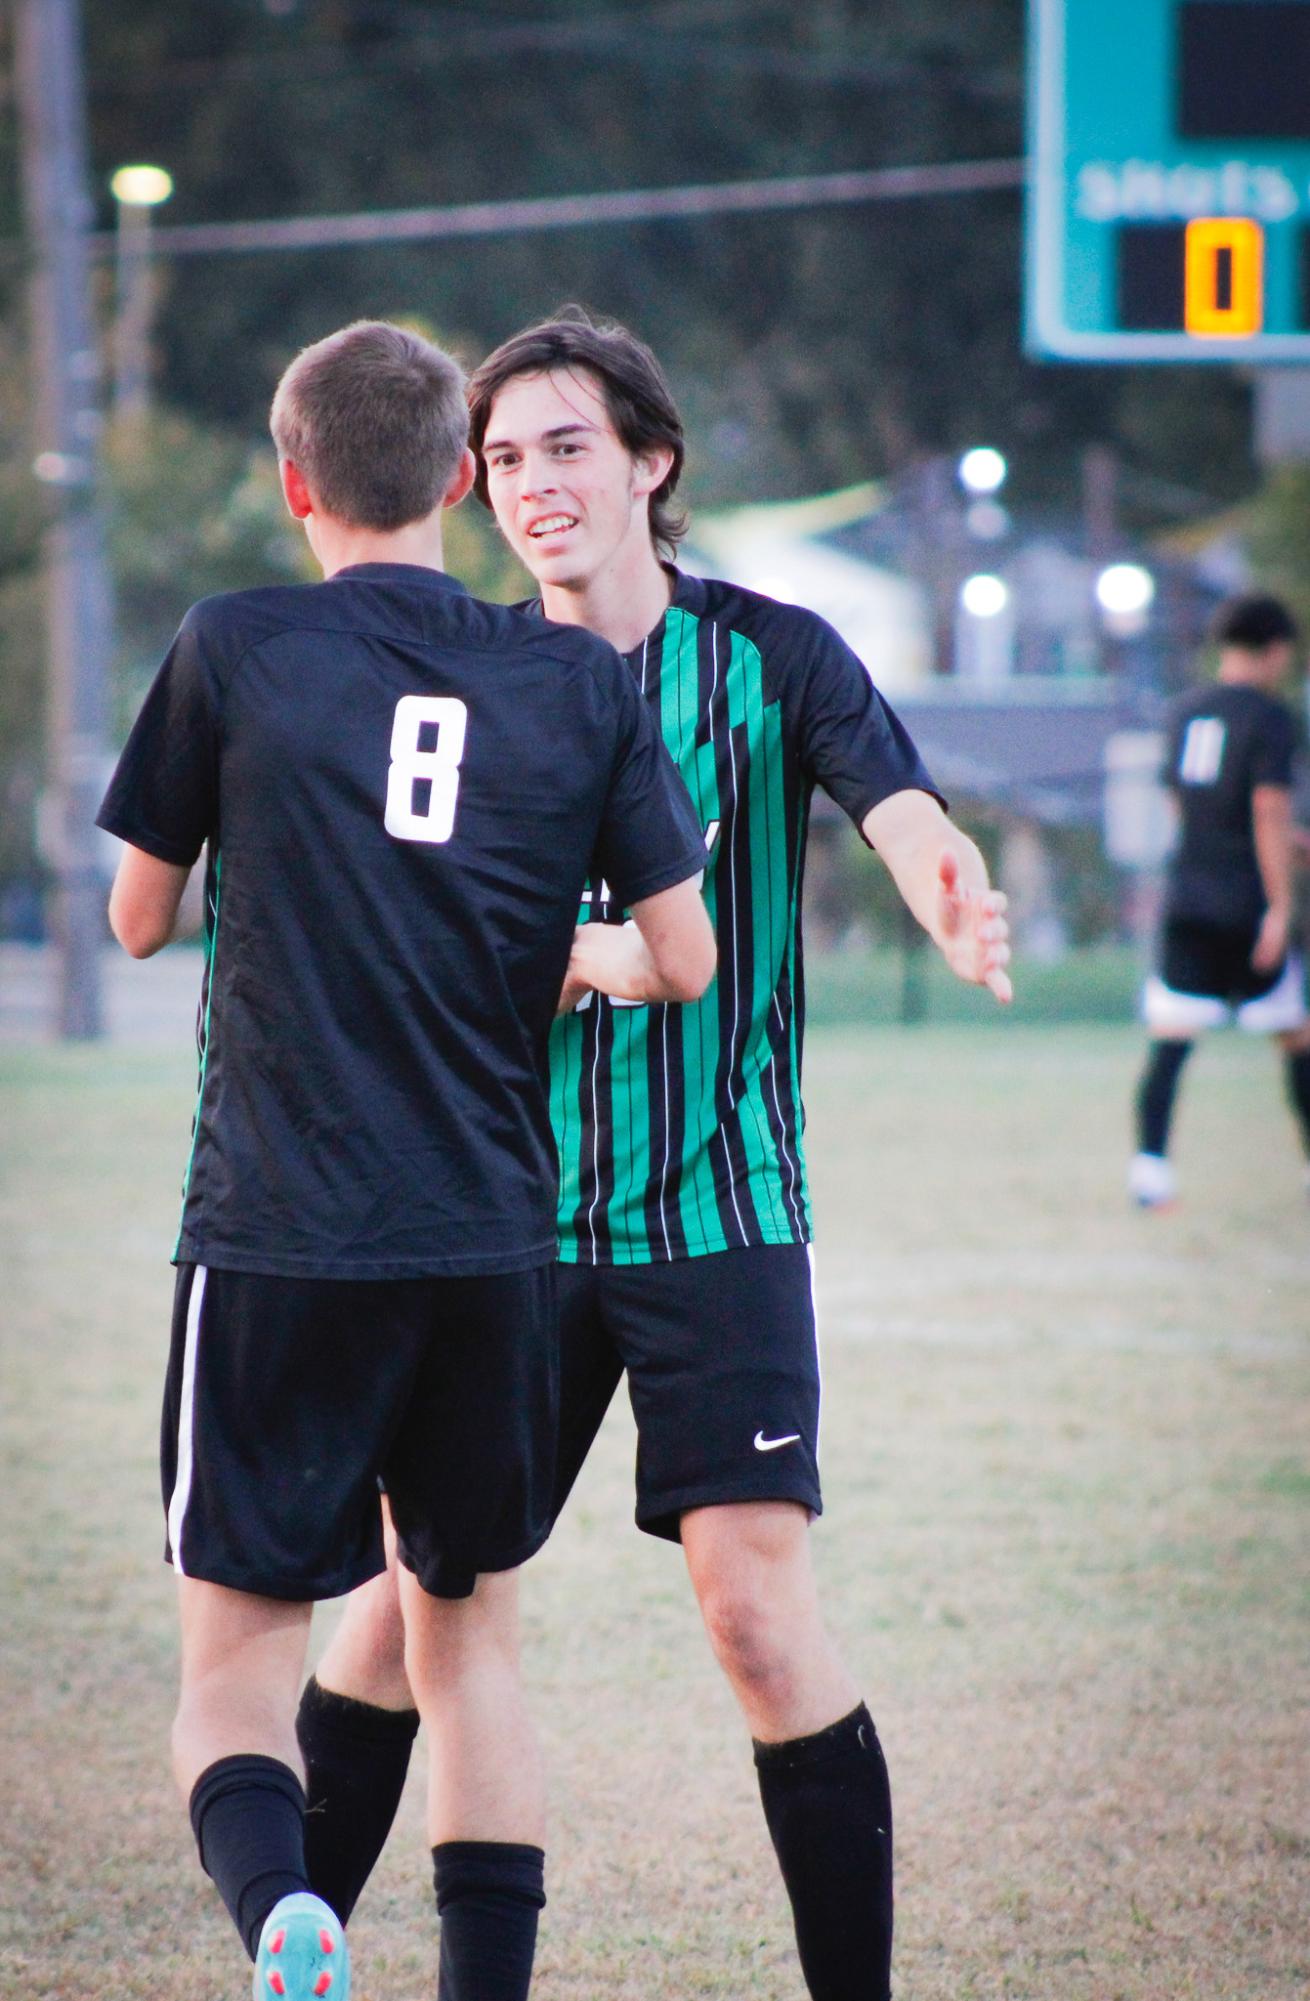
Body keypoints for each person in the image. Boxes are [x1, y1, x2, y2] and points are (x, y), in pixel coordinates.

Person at [293, 308, 1011, 2001]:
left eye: (571, 448)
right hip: (497, 1216)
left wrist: (946, 880)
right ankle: (291, 1955)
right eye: (511, 457)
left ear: (650, 463)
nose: (537, 484)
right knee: (408, 1609)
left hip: (721, 1204)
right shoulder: (453, 674)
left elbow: (897, 801)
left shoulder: (772, 657)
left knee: (757, 1616)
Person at [96, 319, 714, 2001]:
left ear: (292, 481)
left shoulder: (236, 646)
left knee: (234, 1671)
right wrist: (558, 947)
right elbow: (688, 953)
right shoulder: (578, 680)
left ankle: (288, 1913)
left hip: (281, 1230)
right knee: (472, 1650)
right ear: (460, 477)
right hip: (491, 1239)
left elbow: (137, 921)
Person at [1130, 592, 1310, 1208]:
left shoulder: (1185, 711)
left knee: (1171, 1037)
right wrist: (1280, 907)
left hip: (1189, 896)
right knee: (1295, 1035)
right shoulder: (1270, 715)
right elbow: (1266, 806)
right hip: (1248, 903)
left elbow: (1182, 805)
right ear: (1274, 649)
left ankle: (1150, 1174)